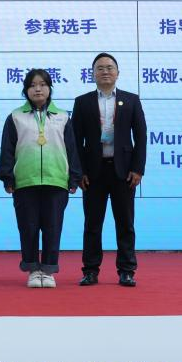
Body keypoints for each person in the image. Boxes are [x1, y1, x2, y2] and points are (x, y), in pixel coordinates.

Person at [0, 69, 81, 288]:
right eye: (32, 85)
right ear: (25, 90)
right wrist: (7, 177)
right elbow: (7, 149)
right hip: (25, 181)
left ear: (49, 88)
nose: (38, 89)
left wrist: (74, 177)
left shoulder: (63, 116)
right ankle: (33, 269)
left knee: (53, 227)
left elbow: (72, 149)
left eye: (43, 84)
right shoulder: (15, 117)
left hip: (56, 180)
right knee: (28, 227)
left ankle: (49, 270)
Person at [72, 52, 147, 287]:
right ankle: (90, 270)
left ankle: (127, 270)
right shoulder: (82, 102)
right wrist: (79, 172)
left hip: (123, 172)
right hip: (93, 173)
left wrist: (138, 169)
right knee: (92, 224)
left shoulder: (131, 100)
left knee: (125, 223)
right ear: (93, 74)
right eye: (100, 68)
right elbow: (76, 141)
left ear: (117, 73)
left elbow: (141, 137)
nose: (105, 71)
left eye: (109, 67)